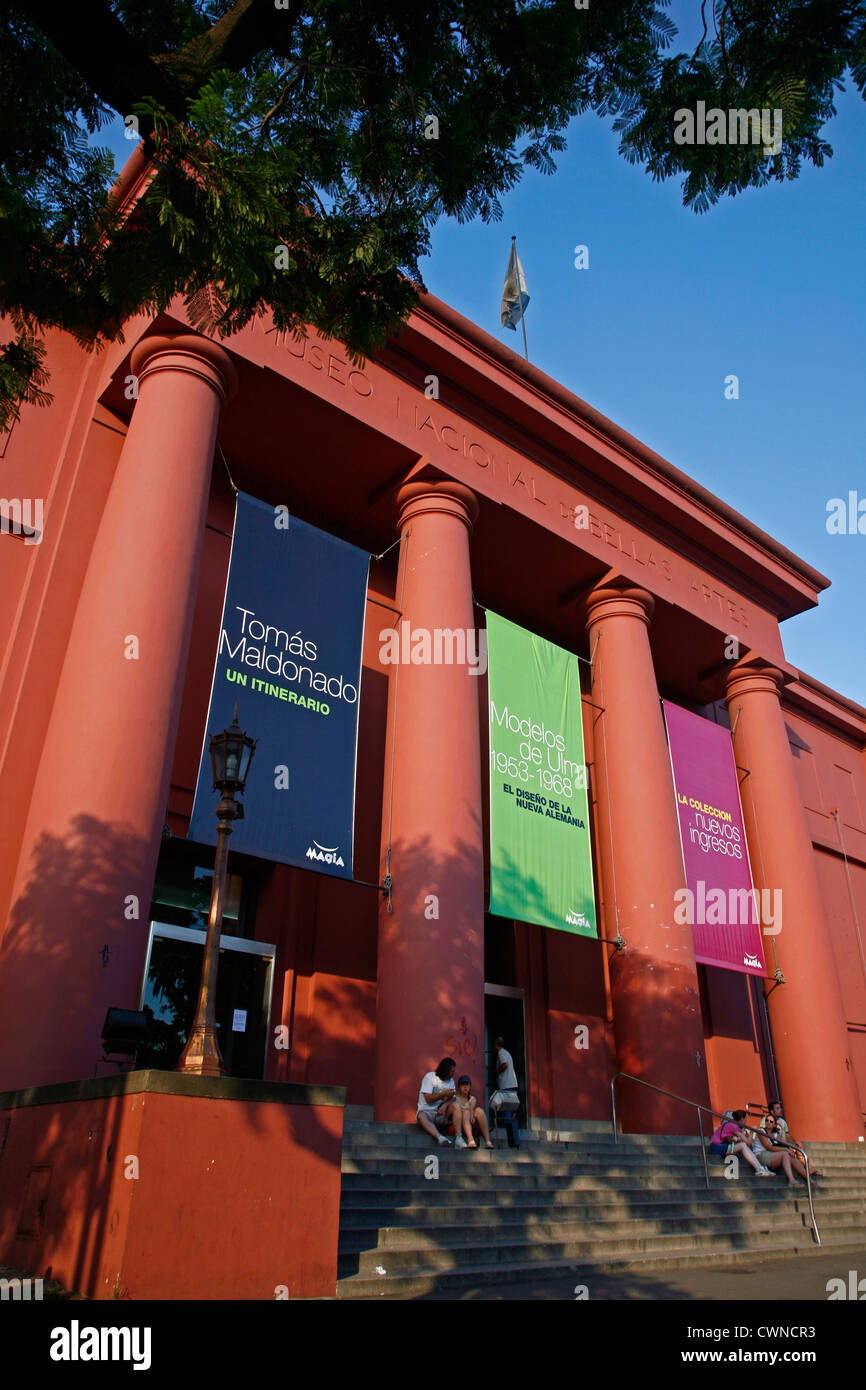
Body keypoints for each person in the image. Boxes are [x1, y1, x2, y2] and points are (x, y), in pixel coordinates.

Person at [708, 1110, 773, 1175]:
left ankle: (760, 1168)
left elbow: (745, 1141)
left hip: (721, 1146)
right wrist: (752, 1131)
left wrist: (742, 1137)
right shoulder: (733, 1126)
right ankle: (759, 1169)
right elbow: (748, 1143)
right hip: (716, 1147)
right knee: (743, 1145)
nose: (746, 1121)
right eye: (745, 1119)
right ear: (742, 1119)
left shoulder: (731, 1125)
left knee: (742, 1145)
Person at [416, 1058, 461, 1145]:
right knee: (420, 1115)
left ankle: (459, 1137)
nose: (453, 1074)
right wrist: (443, 1093)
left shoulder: (450, 1080)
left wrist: (445, 1105)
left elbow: (453, 1098)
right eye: (451, 1071)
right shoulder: (430, 1077)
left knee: (456, 1106)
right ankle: (439, 1137)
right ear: (445, 1070)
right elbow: (428, 1099)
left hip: (441, 1114)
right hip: (427, 1112)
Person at [454, 1074, 494, 1149]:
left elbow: (471, 1107)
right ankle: (471, 1140)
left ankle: (488, 1141)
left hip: (470, 1123)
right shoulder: (455, 1098)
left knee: (479, 1110)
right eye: (462, 1084)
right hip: (459, 1126)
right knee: (466, 1111)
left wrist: (471, 1115)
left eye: (467, 1084)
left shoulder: (472, 1098)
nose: (465, 1086)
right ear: (459, 1086)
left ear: (470, 1086)